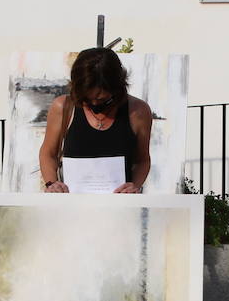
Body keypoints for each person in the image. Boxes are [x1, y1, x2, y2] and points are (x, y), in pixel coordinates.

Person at [38, 47, 152, 193]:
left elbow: (142, 160)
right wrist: (52, 184)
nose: (94, 104)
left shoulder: (138, 112)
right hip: (71, 203)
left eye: (102, 99)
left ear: (117, 88)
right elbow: (48, 153)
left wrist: (134, 186)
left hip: (120, 204)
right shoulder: (63, 107)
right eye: (86, 99)